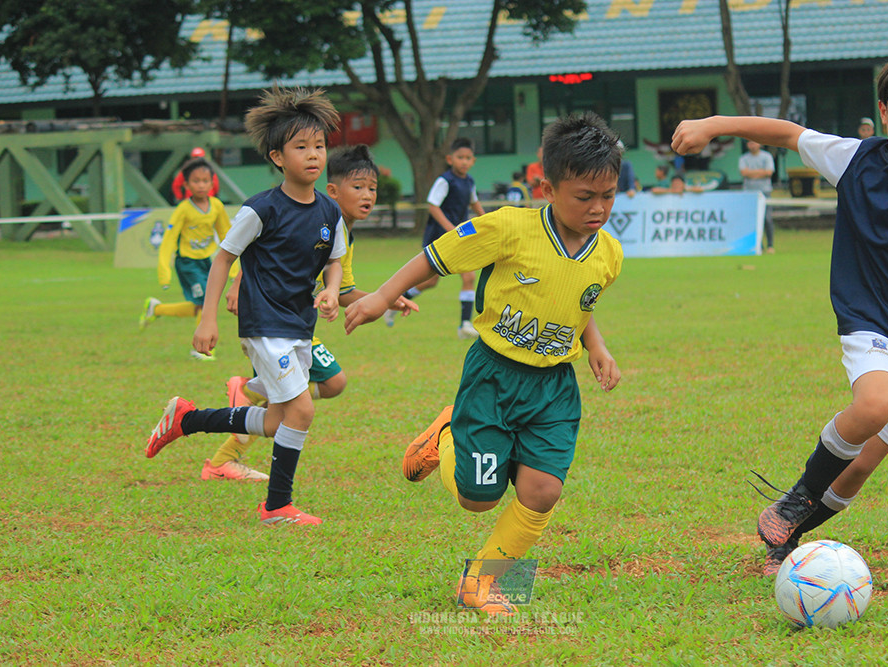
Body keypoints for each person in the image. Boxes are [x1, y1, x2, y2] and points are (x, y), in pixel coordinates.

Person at [672, 38, 888, 575]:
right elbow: (786, 133)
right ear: (882, 111)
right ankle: (794, 500)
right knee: (874, 405)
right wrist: (714, 124)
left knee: (858, 470)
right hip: (871, 317)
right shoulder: (855, 159)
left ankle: (787, 534)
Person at [343, 111, 624, 614]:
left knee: (543, 490)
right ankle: (446, 434)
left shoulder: (609, 253)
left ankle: (481, 580)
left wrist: (597, 347)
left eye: (608, 195)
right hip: (494, 376)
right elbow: (434, 257)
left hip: (554, 387)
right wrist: (381, 297)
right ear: (547, 188)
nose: (598, 208)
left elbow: (579, 303)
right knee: (478, 499)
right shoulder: (508, 227)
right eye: (585, 196)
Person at [144, 86, 347, 527]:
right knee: (302, 411)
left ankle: (187, 419)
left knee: (276, 422)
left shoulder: (330, 213)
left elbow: (335, 262)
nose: (314, 154)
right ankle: (276, 507)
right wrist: (208, 318)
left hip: (299, 325)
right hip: (264, 323)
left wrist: (332, 291)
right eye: (301, 147)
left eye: (319, 145)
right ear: (277, 157)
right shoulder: (261, 209)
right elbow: (222, 259)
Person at [206, 145, 417, 482]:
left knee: (300, 399)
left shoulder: (340, 231)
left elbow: (343, 291)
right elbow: (266, 249)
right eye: (358, 187)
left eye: (372, 189)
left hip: (296, 320)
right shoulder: (314, 215)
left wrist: (384, 299)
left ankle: (224, 456)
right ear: (333, 191)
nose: (368, 195)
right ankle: (248, 393)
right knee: (324, 386)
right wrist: (236, 284)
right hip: (276, 320)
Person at [385, 138, 485, 336]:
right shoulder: (445, 181)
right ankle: (396, 302)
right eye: (460, 157)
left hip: (460, 237)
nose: (464, 161)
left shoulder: (470, 182)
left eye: (468, 158)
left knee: (469, 276)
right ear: (450, 159)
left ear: (473, 161)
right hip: (440, 237)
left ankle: (464, 325)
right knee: (430, 281)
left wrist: (489, 221)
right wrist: (450, 229)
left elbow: (474, 204)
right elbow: (433, 206)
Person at [140, 157, 231, 361]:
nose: (201, 185)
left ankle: (157, 309)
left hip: (207, 262)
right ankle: (204, 349)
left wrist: (233, 268)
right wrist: (164, 272)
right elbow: (169, 239)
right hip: (187, 263)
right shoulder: (183, 209)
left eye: (205, 181)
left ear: (212, 183)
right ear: (187, 185)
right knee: (206, 301)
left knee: (201, 306)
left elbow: (226, 235)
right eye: (196, 181)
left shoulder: (217, 206)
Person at [738, 140, 777, 253]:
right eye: (750, 143)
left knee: (767, 218)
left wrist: (751, 173)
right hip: (749, 193)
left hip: (765, 191)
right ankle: (758, 245)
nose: (753, 145)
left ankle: (770, 245)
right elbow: (744, 173)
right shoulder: (744, 158)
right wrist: (761, 172)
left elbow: (769, 172)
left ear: (760, 144)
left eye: (754, 143)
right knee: (752, 219)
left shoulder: (767, 156)